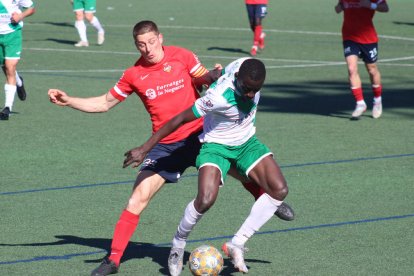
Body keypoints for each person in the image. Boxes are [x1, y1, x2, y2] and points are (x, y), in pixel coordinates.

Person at [48, 21, 294, 276]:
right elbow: (103, 103)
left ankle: (267, 199)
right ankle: (113, 260)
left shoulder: (182, 56)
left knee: (238, 168)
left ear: (160, 38)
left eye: (151, 42)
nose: (148, 49)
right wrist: (69, 101)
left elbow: (201, 78)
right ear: (136, 45)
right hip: (165, 145)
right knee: (137, 198)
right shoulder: (133, 74)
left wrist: (212, 76)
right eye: (141, 45)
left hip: (201, 134)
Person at [123, 58, 289, 275]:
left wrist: (211, 75)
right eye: (246, 89)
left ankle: (236, 244)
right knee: (206, 199)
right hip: (216, 146)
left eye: (255, 90)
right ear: (237, 78)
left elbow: (222, 72)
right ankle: (178, 244)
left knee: (279, 190)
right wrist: (145, 148)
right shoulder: (218, 98)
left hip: (247, 143)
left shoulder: (242, 67)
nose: (250, 95)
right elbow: (180, 118)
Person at [335, 0, 389, 119]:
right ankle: (360, 103)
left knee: (372, 69)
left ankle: (377, 100)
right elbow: (338, 8)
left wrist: (370, 5)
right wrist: (341, 7)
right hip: (349, 36)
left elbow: (385, 8)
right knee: (351, 68)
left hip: (368, 38)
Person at [0, 0, 35, 121]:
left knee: (10, 67)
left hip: (13, 34)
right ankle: (19, 82)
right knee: (5, 67)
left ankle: (7, 108)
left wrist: (20, 16)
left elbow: (31, 8)